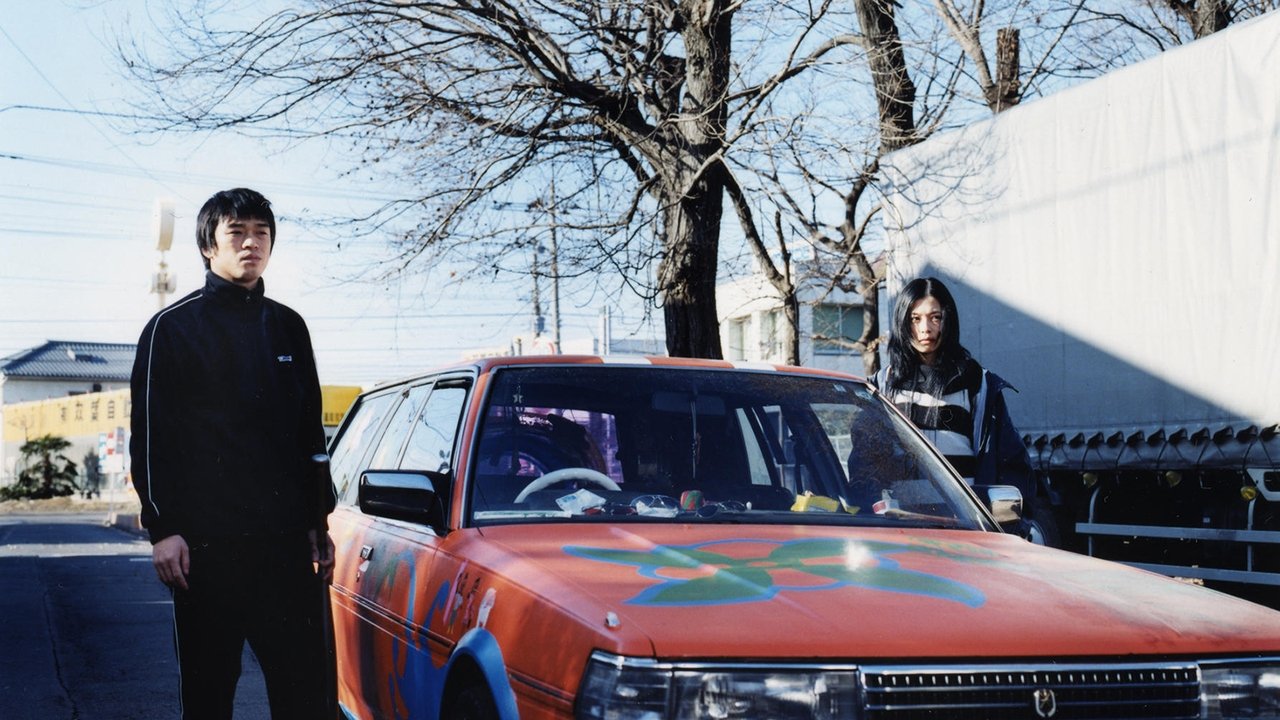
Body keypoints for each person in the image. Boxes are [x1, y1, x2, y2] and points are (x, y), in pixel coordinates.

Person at [129, 188, 335, 719]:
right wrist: (163, 528)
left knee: (306, 691)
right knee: (209, 694)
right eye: (236, 233)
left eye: (261, 234)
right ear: (207, 246)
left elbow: (310, 435)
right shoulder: (171, 329)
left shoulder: (289, 325)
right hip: (204, 549)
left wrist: (318, 521)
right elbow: (150, 438)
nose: (251, 244)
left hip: (285, 547)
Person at [873, 277, 1035, 501]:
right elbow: (865, 465)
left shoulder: (977, 383)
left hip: (961, 526)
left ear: (948, 320)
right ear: (902, 322)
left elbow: (1011, 464)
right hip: (902, 525)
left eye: (935, 318)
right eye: (915, 319)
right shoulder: (884, 385)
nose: (925, 329)